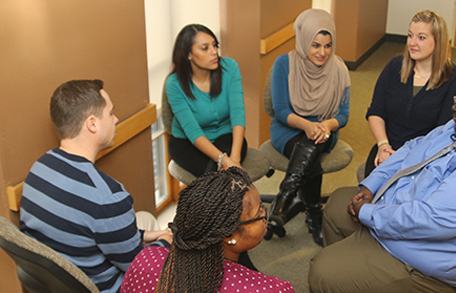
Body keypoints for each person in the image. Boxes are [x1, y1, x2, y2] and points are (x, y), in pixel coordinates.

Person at [309, 73, 456, 292]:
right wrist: (371, 186)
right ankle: (356, 267)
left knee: (322, 273)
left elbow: (428, 220)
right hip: (404, 213)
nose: (454, 107)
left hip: (425, 261)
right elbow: (414, 147)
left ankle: (354, 271)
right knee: (337, 205)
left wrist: (368, 213)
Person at [19, 80, 172, 293]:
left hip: (59, 281)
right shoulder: (108, 197)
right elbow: (139, 269)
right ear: (92, 124)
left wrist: (145, 235)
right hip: (108, 287)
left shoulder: (38, 168)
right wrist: (165, 242)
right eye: (111, 113)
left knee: (145, 219)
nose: (116, 119)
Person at [120, 167, 295, 293]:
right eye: (260, 212)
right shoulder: (274, 289)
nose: (265, 216)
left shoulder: (143, 260)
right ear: (229, 235)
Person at [266, 9, 351, 246]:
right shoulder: (285, 63)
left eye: (327, 45)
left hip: (324, 127)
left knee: (316, 141)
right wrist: (306, 125)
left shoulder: (339, 69)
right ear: (304, 41)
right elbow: (280, 110)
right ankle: (314, 214)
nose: (322, 53)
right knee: (311, 146)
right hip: (289, 127)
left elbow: (343, 115)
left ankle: (284, 199)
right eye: (315, 45)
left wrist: (327, 124)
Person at [365, 10, 456, 177]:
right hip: (386, 150)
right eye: (410, 35)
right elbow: (376, 112)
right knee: (367, 195)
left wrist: (404, 157)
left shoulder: (455, 79)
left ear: (438, 41)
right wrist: (383, 145)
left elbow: (442, 133)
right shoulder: (394, 67)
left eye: (421, 37)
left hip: (424, 159)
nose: (412, 43)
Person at [166, 23, 247, 178]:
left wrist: (234, 159)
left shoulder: (230, 67)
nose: (214, 52)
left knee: (229, 171)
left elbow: (238, 113)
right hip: (187, 143)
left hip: (225, 135)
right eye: (205, 48)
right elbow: (192, 130)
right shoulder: (174, 84)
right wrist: (224, 160)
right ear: (188, 54)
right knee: (216, 176)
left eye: (215, 45)